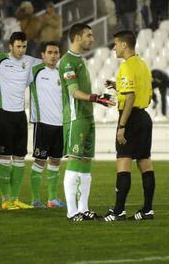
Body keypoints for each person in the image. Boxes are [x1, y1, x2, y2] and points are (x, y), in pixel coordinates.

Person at [58, 23, 115, 222]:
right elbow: (73, 92)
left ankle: (83, 209)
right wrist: (96, 98)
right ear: (77, 37)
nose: (92, 39)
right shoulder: (66, 62)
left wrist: (98, 97)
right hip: (76, 118)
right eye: (88, 35)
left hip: (87, 117)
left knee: (85, 162)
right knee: (74, 161)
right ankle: (72, 212)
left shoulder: (80, 60)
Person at [101, 30, 154, 222]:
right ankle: (147, 210)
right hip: (144, 117)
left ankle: (118, 211)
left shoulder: (126, 67)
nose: (114, 47)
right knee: (145, 162)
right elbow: (145, 94)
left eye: (116, 44)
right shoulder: (143, 65)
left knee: (123, 161)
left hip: (129, 118)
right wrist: (117, 86)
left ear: (124, 45)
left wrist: (122, 125)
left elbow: (130, 96)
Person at [0, 32, 41, 210]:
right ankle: (5, 199)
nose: (21, 50)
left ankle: (15, 198)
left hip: (20, 115)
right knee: (5, 158)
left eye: (24, 46)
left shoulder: (30, 61)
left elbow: (50, 61)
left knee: (19, 157)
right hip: (2, 113)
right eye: (18, 46)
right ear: (10, 46)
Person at [29, 41, 65, 208]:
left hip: (60, 124)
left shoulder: (62, 74)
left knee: (56, 160)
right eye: (49, 52)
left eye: (56, 52)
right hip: (42, 123)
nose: (53, 55)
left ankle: (52, 199)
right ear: (42, 55)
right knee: (39, 161)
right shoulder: (34, 71)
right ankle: (36, 199)